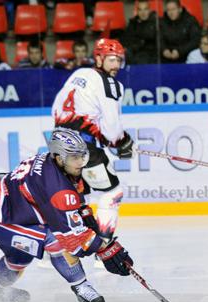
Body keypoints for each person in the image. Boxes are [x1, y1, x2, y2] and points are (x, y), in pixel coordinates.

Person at [0, 128, 134, 302]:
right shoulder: (57, 187)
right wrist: (105, 249)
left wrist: (87, 219)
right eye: (74, 157)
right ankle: (81, 286)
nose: (80, 162)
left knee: (19, 259)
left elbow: (74, 205)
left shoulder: (53, 162)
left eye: (82, 156)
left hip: (7, 207)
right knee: (55, 241)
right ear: (59, 158)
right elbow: (71, 239)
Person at [51, 38, 133, 251]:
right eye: (112, 60)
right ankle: (104, 248)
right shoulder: (109, 83)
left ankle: (55, 249)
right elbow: (112, 128)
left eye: (119, 60)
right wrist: (121, 141)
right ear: (99, 58)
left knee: (75, 196)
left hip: (59, 143)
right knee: (112, 193)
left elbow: (56, 108)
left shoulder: (78, 74)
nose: (116, 66)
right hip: (82, 148)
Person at [122, 0, 160, 65]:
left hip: (151, 54)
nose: (143, 13)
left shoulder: (156, 23)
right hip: (135, 53)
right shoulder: (133, 23)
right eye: (140, 10)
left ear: (149, 10)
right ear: (137, 11)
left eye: (145, 9)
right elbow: (126, 39)